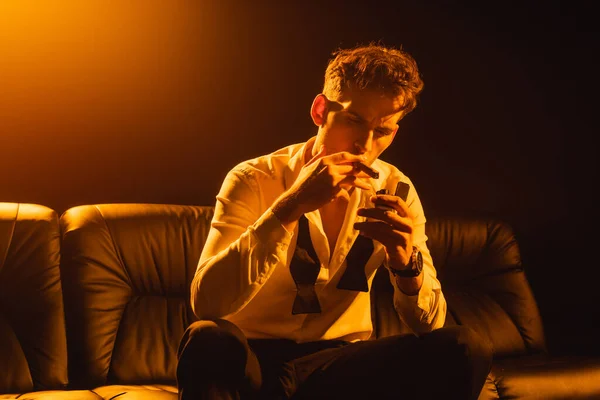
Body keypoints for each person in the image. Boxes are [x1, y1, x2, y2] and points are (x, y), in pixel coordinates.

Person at [177, 43, 493, 400]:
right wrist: (291, 206)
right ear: (320, 110)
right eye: (353, 120)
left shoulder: (397, 188)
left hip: (340, 367)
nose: (364, 145)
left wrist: (406, 264)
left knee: (463, 346)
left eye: (383, 130)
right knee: (208, 337)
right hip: (251, 362)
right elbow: (207, 303)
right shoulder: (253, 178)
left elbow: (430, 323)